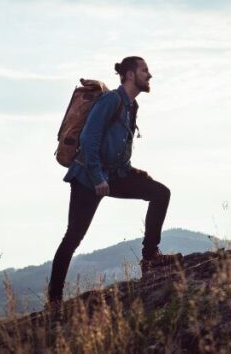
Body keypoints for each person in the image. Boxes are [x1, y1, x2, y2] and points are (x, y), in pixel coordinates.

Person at [48, 56, 180, 307]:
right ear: (130, 75)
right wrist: (97, 176)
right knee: (73, 237)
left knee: (160, 193)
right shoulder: (111, 100)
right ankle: (54, 300)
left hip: (115, 175)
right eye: (144, 70)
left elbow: (119, 148)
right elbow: (89, 138)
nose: (149, 75)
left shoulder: (132, 106)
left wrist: (133, 173)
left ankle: (150, 257)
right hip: (88, 177)